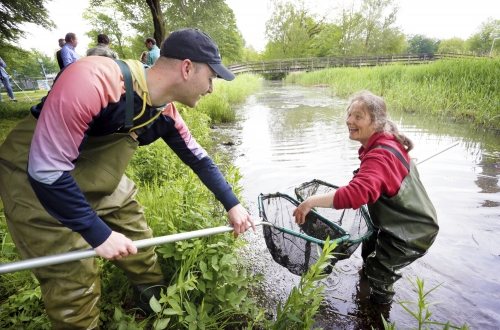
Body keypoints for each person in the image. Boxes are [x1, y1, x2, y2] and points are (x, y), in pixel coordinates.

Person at [0, 28, 254, 329]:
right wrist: (99, 234)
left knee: (139, 239)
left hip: (94, 173)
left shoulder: (165, 112)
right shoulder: (93, 80)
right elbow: (46, 170)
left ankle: (157, 304)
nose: (211, 87)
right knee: (74, 275)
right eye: (211, 77)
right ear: (187, 68)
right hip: (35, 174)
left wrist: (233, 204)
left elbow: (199, 159)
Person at [293, 90, 439, 305]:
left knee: (379, 271)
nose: (349, 121)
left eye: (358, 116)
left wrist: (310, 202)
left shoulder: (381, 154)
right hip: (392, 223)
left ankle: (377, 314)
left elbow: (356, 194)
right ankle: (364, 288)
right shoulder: (384, 140)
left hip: (412, 232)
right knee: (368, 247)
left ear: (376, 122)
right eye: (349, 115)